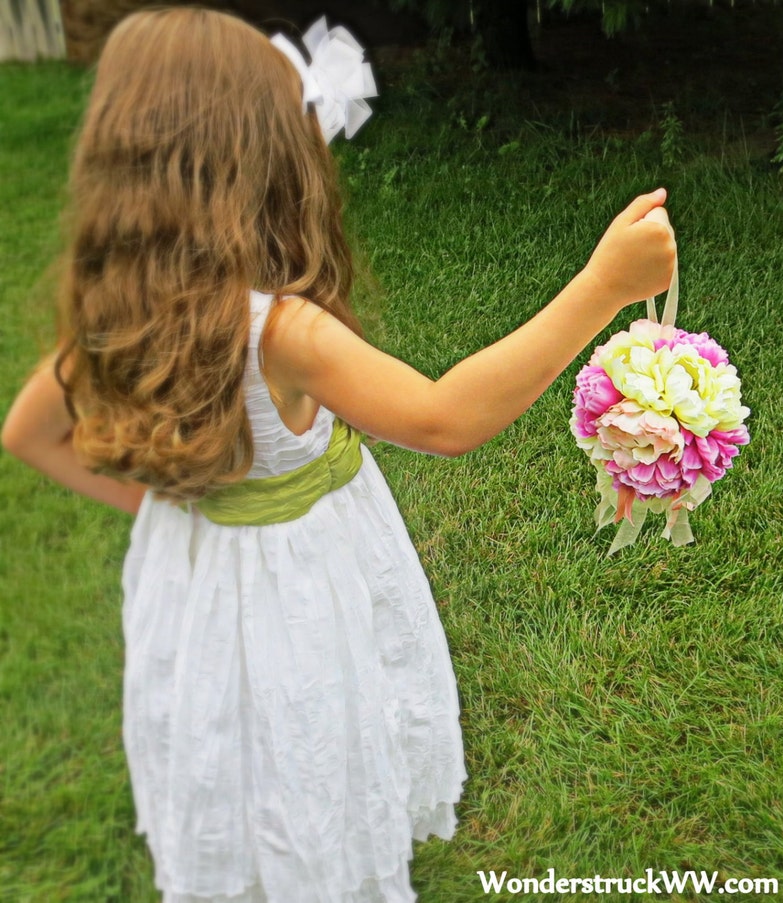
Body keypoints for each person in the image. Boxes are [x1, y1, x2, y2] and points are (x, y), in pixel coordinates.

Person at [1, 7, 676, 903]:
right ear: (258, 156)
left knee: (231, 745)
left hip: (194, 578)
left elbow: (28, 433)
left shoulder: (113, 313)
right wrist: (602, 288)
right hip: (301, 584)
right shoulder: (283, 331)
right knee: (311, 730)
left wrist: (174, 511)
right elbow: (444, 418)